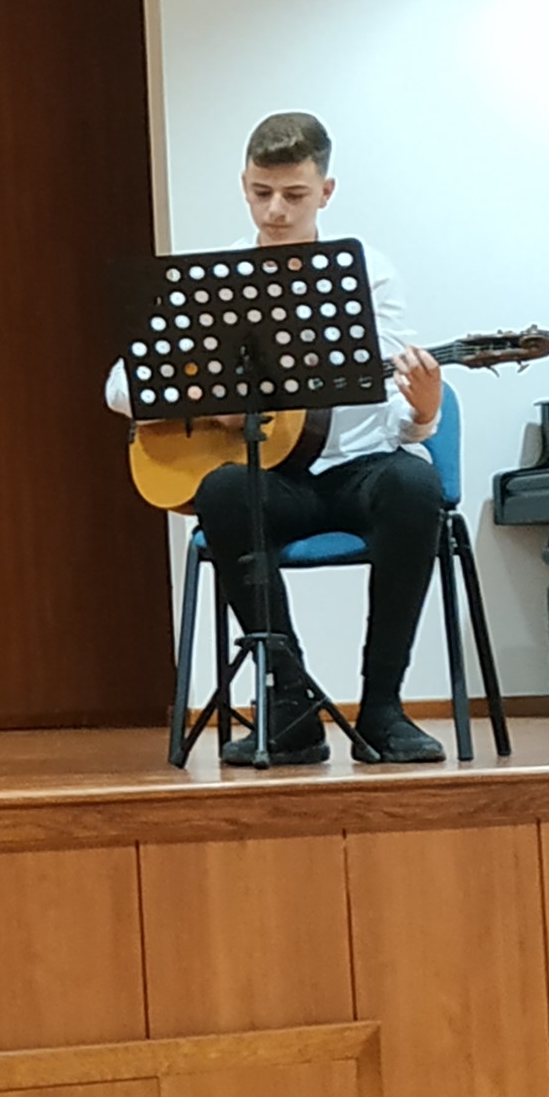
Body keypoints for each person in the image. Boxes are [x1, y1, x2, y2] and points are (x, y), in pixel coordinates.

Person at [109, 111, 446, 767]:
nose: (276, 211)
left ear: (326, 192)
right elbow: (121, 387)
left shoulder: (367, 273)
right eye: (262, 192)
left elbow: (396, 415)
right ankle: (290, 706)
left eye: (294, 194)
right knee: (223, 491)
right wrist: (215, 401)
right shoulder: (214, 282)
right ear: (244, 185)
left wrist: (425, 414)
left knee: (415, 483)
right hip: (274, 481)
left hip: (357, 472)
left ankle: (383, 707)